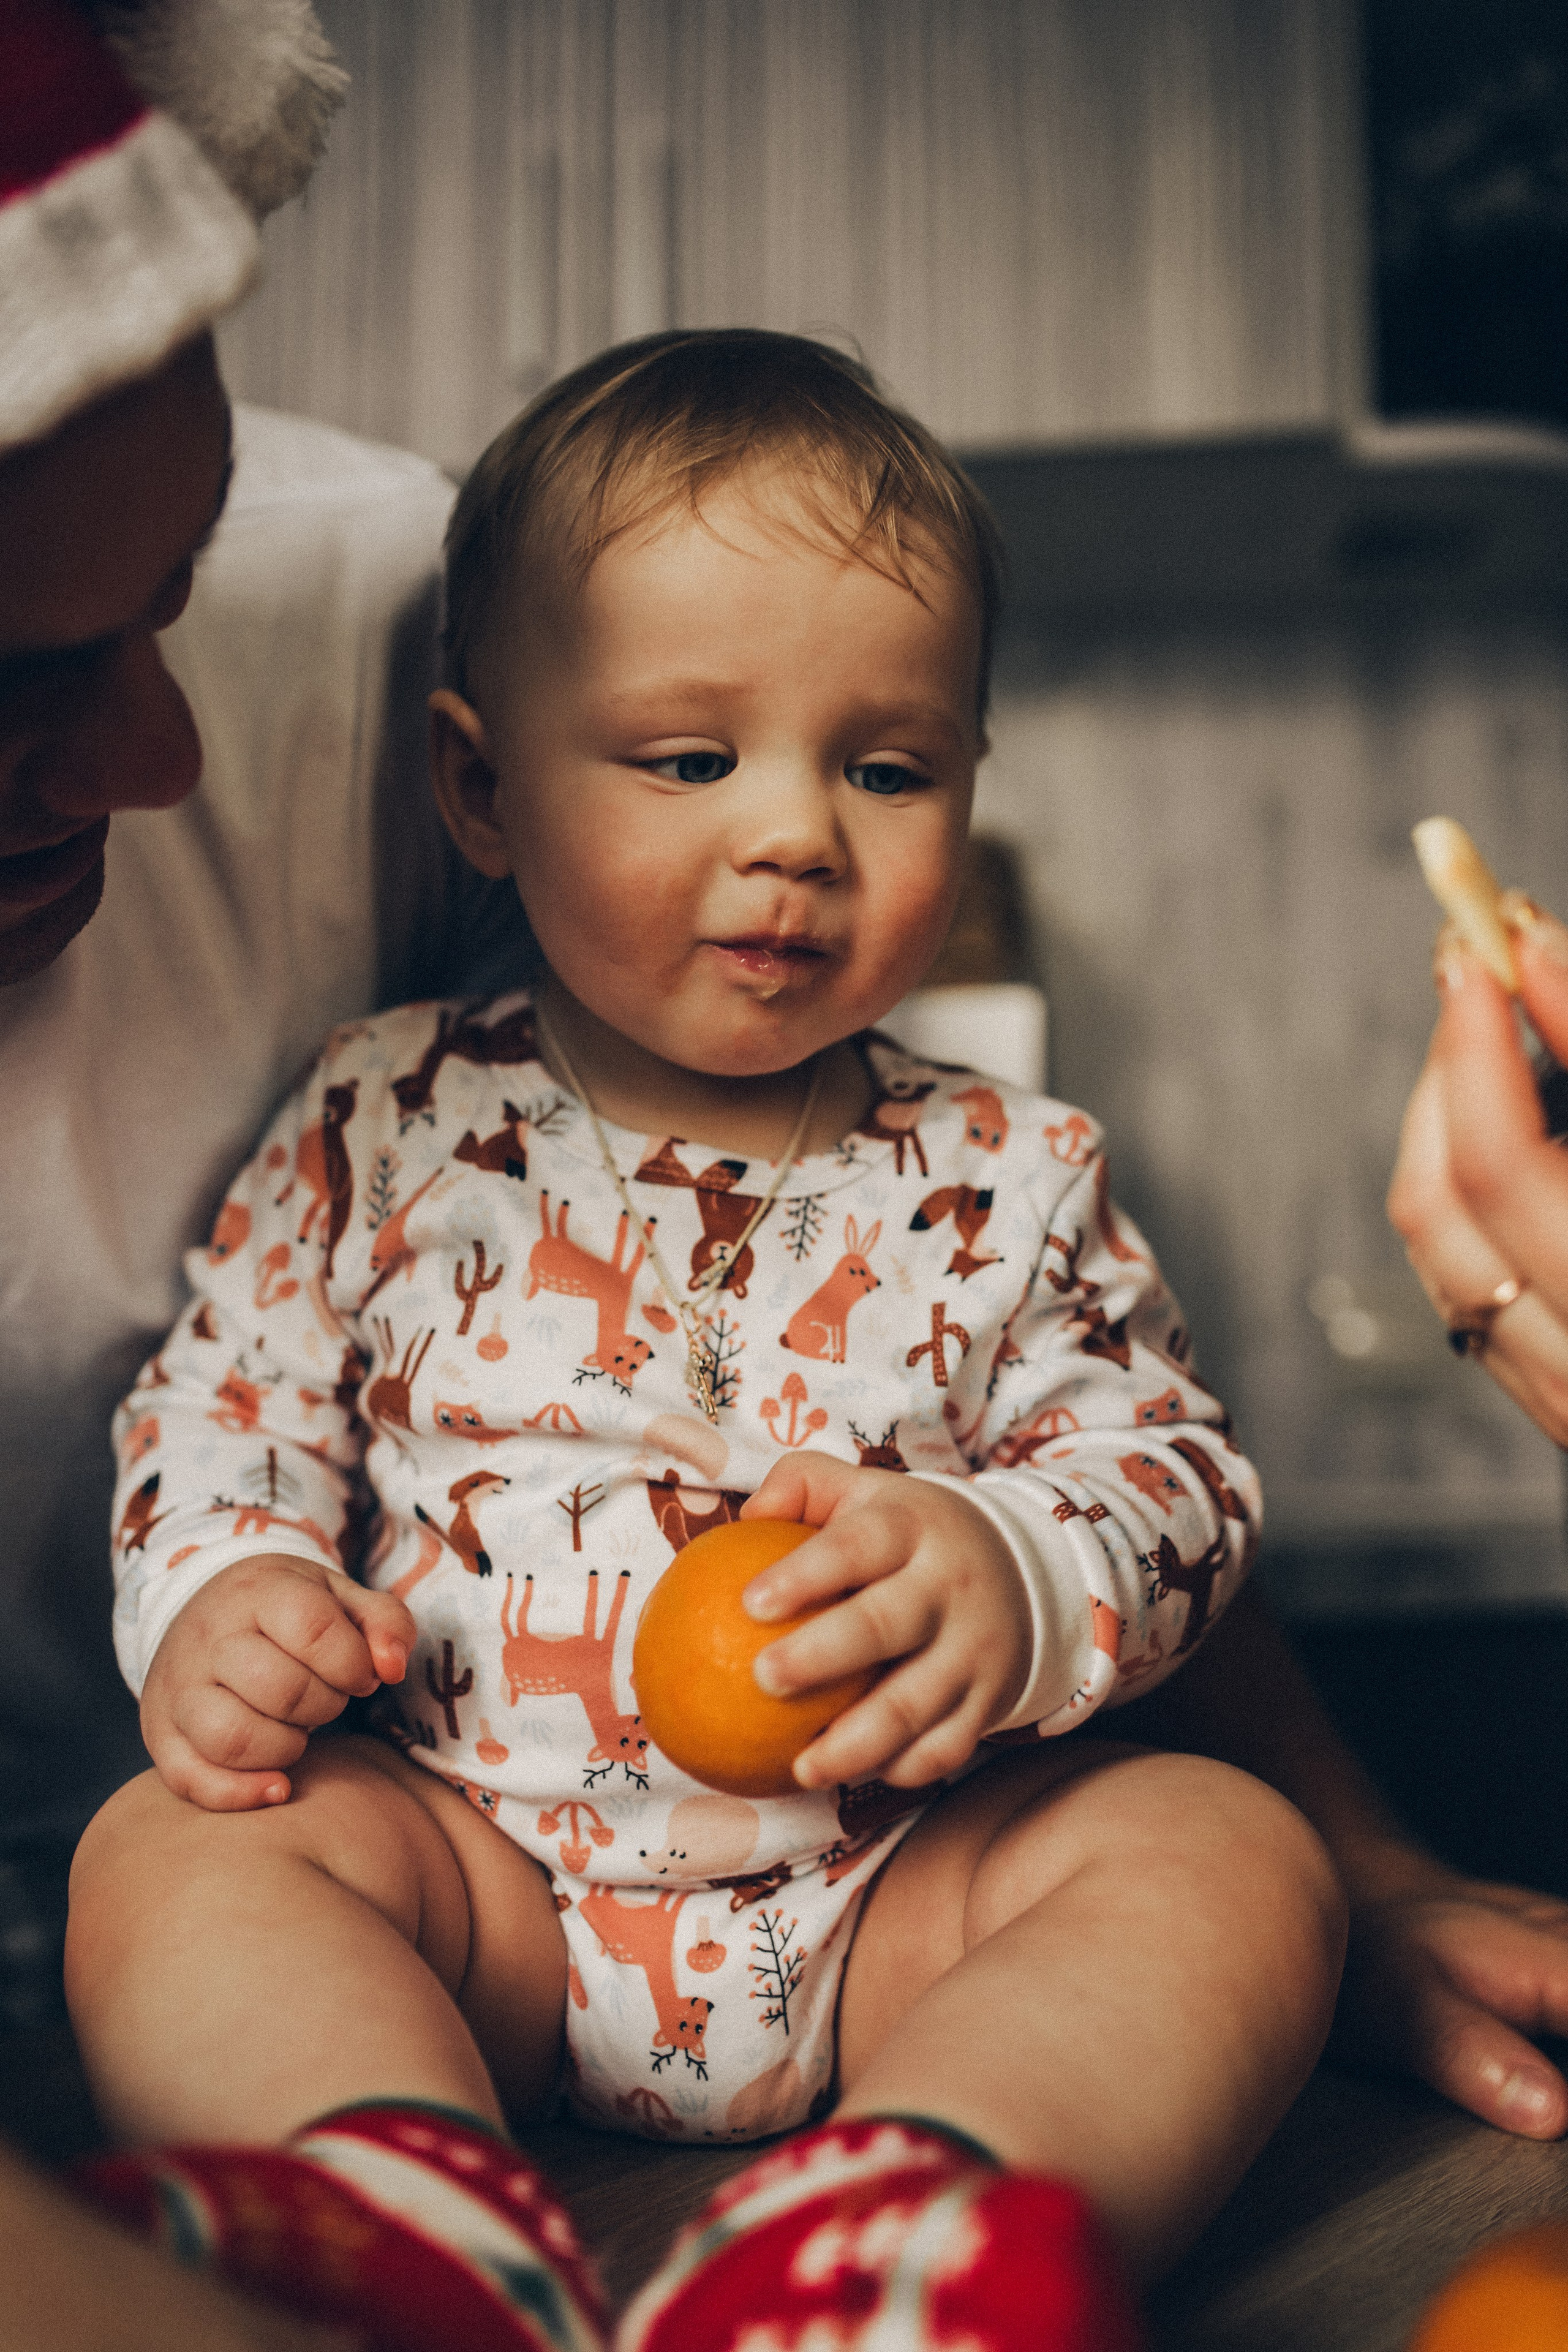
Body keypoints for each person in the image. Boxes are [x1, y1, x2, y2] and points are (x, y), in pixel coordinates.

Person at [62, 328, 1344, 2352]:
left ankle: (918, 2216)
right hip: (471, 1872)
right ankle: (386, 2195)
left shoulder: (1010, 1170)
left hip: (897, 1888)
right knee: (178, 1850)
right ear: (480, 785)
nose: (798, 837)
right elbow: (224, 1398)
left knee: (1224, 1856)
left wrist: (1020, 1571)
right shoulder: (382, 1116)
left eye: (889, 766)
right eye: (690, 760)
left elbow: (1174, 1477)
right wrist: (233, 1587)